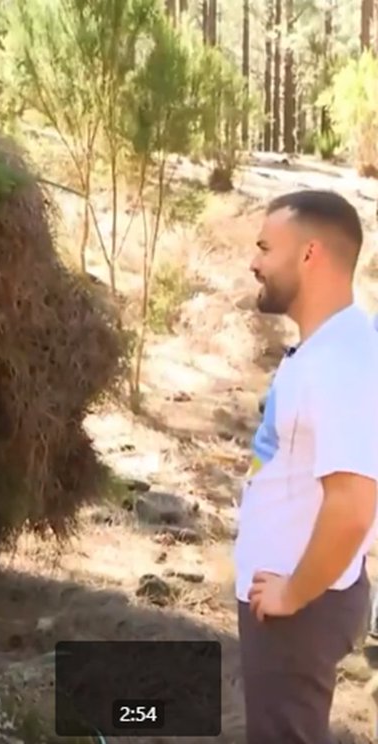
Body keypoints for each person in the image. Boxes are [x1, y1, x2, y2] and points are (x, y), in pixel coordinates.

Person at [236, 189, 378, 744]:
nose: (254, 261)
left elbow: (352, 503)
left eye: (266, 247)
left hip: (297, 608)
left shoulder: (342, 363)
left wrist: (292, 594)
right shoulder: (329, 349)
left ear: (310, 254)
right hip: (291, 599)